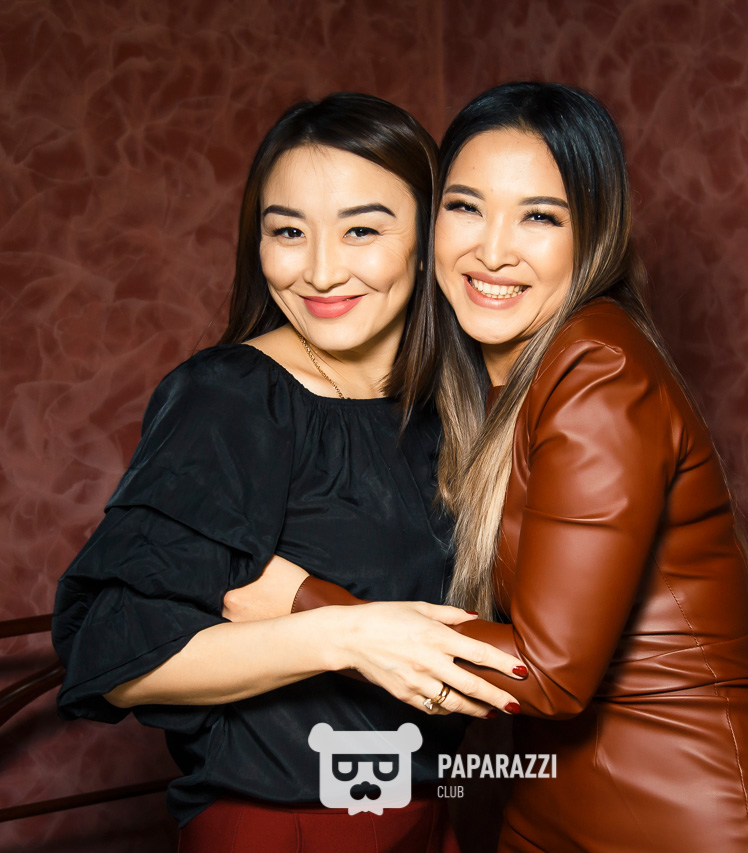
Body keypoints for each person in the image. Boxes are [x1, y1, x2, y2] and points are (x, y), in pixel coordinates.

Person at [241, 82, 748, 852]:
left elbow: (549, 674)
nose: (492, 251)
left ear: (594, 234)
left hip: (680, 816)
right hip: (550, 801)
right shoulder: (495, 379)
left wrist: (304, 603)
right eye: (466, 207)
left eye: (539, 216)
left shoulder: (599, 373)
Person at [50, 92, 525, 853]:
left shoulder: (456, 405)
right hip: (286, 827)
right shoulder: (230, 397)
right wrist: (344, 635)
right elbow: (113, 657)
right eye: (289, 232)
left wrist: (306, 600)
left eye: (361, 229)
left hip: (425, 812)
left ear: (427, 240)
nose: (321, 271)